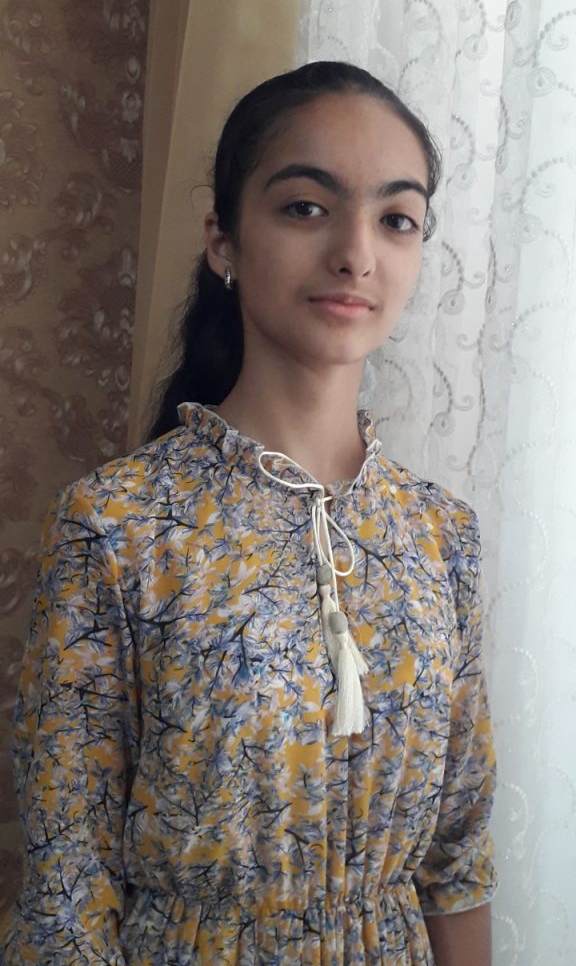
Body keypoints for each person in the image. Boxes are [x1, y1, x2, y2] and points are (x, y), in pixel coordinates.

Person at [1, 61, 497, 966]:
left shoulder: (442, 537)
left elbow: (457, 861)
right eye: (306, 207)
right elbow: (67, 898)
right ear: (223, 241)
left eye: (397, 219)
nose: (357, 252)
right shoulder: (117, 528)